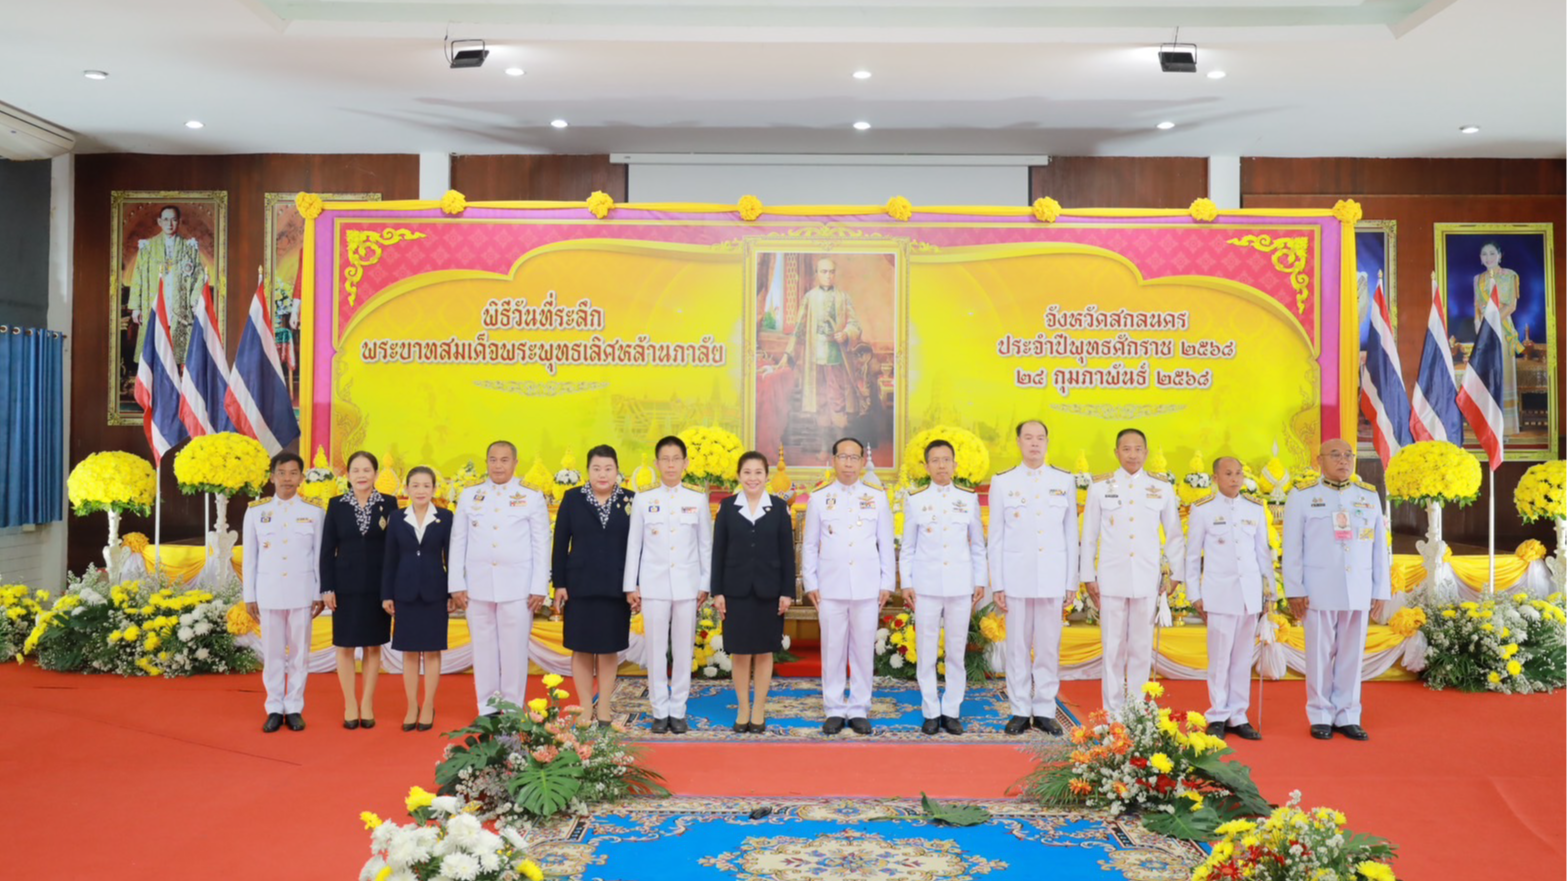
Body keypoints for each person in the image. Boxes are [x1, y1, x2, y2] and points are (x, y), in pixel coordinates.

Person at [1283, 438, 1390, 741]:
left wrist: (1380, 589)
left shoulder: (1367, 496)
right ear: (1319, 461)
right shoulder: (1302, 497)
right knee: (1318, 653)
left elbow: (1380, 547)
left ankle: (1348, 713)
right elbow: (1292, 548)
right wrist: (1294, 588)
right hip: (1317, 589)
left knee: (1352, 653)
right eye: (1335, 455)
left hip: (1358, 587)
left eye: (1348, 455)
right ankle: (1319, 714)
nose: (1343, 461)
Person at [1081, 428, 1185, 714]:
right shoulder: (1100, 486)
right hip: (1111, 578)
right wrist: (1088, 576)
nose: (1132, 454)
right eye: (1126, 449)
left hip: (1147, 577)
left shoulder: (1161, 487)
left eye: (1138, 449)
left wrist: (1175, 574)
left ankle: (1137, 708)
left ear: (1146, 453)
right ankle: (1113, 710)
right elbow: (1089, 535)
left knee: (1140, 647)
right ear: (1116, 452)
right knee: (1112, 648)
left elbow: (1174, 534)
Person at [988, 420, 1078, 736]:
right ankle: (1019, 709)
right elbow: (995, 537)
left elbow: (1070, 535)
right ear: (1018, 442)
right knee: (1016, 646)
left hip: (1053, 578)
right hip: (1015, 578)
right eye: (1028, 438)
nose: (1035, 444)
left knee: (1048, 647)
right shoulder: (1003, 482)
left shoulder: (1063, 480)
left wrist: (1071, 582)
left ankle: (1044, 709)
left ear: (1047, 441)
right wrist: (996, 583)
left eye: (1040, 438)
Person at [449, 440, 550, 716]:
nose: (498, 465)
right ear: (486, 463)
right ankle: (487, 708)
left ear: (516, 463)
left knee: (514, 649)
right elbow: (458, 540)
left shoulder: (530, 496)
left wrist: (539, 586)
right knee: (482, 648)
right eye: (493, 460)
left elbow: (542, 543)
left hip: (518, 587)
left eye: (504, 460)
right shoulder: (471, 495)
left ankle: (513, 708)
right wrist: (457, 583)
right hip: (477, 587)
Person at [802, 436, 894, 735]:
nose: (849, 463)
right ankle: (833, 707)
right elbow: (810, 544)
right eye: (843, 457)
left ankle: (858, 708)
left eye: (855, 457)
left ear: (861, 462)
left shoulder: (877, 497)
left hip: (867, 588)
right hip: (830, 587)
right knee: (832, 648)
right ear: (833, 461)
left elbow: (885, 544)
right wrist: (810, 582)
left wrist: (886, 583)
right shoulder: (819, 498)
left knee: (863, 649)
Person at [624, 436, 712, 734]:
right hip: (653, 585)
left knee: (684, 649)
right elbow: (634, 545)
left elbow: (705, 547)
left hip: (687, 586)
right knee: (655, 648)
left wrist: (705, 583)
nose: (671, 464)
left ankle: (679, 709)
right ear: (657, 462)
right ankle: (659, 710)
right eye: (666, 459)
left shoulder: (697, 498)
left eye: (677, 459)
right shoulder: (644, 498)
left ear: (685, 463)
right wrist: (630, 585)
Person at [899, 439, 985, 736]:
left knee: (955, 651)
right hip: (926, 586)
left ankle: (952, 709)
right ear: (926, 466)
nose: (941, 465)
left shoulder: (969, 499)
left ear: (955, 465)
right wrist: (906, 582)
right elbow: (908, 547)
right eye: (934, 460)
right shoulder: (916, 500)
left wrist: (980, 580)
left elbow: (978, 546)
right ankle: (930, 711)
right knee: (926, 651)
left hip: (961, 585)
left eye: (946, 460)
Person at [1186, 457, 1274, 740]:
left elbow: (1263, 553)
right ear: (1215, 478)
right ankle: (1217, 714)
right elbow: (1192, 556)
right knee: (1220, 658)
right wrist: (1194, 593)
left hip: (1249, 595)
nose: (1235, 478)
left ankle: (1239, 714)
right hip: (1219, 594)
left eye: (1238, 473)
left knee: (1242, 657)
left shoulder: (1254, 509)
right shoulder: (1203, 510)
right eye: (1228, 473)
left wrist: (1270, 592)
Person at [710, 451, 796, 733]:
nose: (752, 478)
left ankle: (758, 708)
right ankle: (743, 709)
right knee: (740, 652)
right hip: (735, 591)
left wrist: (787, 592)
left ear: (766, 476)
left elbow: (787, 553)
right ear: (739, 476)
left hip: (769, 591)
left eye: (758, 472)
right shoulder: (727, 507)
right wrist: (717, 591)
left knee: (763, 652)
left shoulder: (779, 508)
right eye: (747, 472)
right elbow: (718, 551)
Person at [553, 445, 635, 727]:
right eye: (596, 468)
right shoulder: (572, 499)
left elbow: (638, 548)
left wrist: (635, 584)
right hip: (580, 585)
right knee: (582, 648)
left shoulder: (631, 500)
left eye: (608, 468)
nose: (602, 474)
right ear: (587, 471)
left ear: (617, 470)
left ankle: (605, 707)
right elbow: (560, 543)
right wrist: (559, 583)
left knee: (609, 648)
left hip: (616, 586)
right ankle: (586, 707)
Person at [243, 452, 325, 733]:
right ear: (272, 476)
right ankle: (274, 706)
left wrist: (318, 592)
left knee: (300, 654)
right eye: (282, 473)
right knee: (273, 652)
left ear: (302, 478)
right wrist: (249, 596)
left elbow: (318, 557)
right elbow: (250, 558)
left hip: (302, 592)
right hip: (268, 592)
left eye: (293, 473)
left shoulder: (314, 512)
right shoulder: (256, 511)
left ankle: (295, 706)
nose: (287, 479)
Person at [319, 450, 398, 730]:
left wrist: (391, 588)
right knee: (345, 645)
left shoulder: (389, 504)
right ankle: (349, 703)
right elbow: (327, 550)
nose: (362, 475)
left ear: (376, 474)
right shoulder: (337, 505)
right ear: (348, 474)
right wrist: (327, 586)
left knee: (373, 644)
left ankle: (367, 703)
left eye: (367, 470)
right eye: (356, 470)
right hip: (345, 586)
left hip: (377, 587)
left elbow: (394, 549)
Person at [382, 466, 453, 732]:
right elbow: (390, 558)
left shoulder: (445, 517)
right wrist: (387, 594)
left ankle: (428, 704)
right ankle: (412, 705)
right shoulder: (397, 518)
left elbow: (452, 558)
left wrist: (453, 592)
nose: (421, 490)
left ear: (434, 489)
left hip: (436, 592)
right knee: (410, 652)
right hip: (405, 592)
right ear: (407, 489)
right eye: (415, 485)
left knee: (433, 651)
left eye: (426, 486)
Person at [790, 258, 865, 455]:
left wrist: (846, 333)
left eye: (831, 272)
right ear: (816, 273)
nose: (828, 275)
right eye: (824, 271)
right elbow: (798, 329)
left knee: (837, 402)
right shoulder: (809, 298)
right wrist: (788, 356)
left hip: (836, 358)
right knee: (821, 401)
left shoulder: (843, 297)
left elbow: (855, 324)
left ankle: (841, 449)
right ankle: (824, 447)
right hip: (815, 358)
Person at [127, 204, 205, 364]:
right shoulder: (147, 247)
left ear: (179, 222)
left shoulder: (189, 247)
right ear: (159, 221)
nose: (170, 224)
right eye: (166, 220)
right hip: (154, 303)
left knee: (177, 354)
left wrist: (195, 301)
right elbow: (138, 277)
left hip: (179, 306)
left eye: (174, 220)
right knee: (154, 355)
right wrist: (136, 307)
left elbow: (198, 276)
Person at [1474, 241, 1522, 434]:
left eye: (1492, 253)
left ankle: (1507, 427)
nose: (1488, 257)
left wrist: (1491, 323)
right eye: (1484, 254)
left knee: (1503, 372)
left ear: (1500, 255)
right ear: (1480, 258)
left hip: (1501, 328)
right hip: (1484, 330)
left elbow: (1511, 306)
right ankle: (1488, 424)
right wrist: (1480, 329)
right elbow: (1477, 307)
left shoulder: (1510, 275)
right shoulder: (1478, 279)